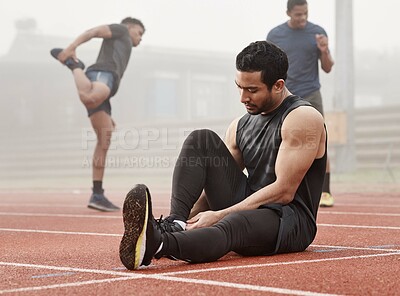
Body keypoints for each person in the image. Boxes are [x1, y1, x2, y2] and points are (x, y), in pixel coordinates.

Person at [119, 40, 327, 270]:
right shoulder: (240, 125)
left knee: (232, 222)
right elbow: (214, 184)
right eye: (239, 87)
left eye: (252, 90)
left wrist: (217, 215)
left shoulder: (303, 118)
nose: (243, 97)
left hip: (289, 221)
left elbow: (284, 191)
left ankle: (159, 244)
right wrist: (190, 217)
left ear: (278, 85)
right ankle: (172, 225)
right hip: (250, 204)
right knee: (201, 139)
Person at [50, 17, 145, 212]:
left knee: (105, 138)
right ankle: (73, 64)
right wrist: (70, 48)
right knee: (90, 97)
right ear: (130, 27)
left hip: (108, 86)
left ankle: (97, 194)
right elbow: (93, 32)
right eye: (139, 33)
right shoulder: (121, 30)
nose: (140, 38)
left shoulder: (124, 42)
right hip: (103, 73)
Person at [266, 0, 335, 207]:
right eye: (298, 15)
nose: (302, 18)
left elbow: (328, 67)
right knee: (278, 140)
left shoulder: (318, 33)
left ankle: (325, 191)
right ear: (288, 13)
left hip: (311, 93)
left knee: (319, 141)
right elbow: (268, 66)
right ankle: (275, 188)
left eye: (305, 14)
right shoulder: (275, 35)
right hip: (285, 94)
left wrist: (324, 50)